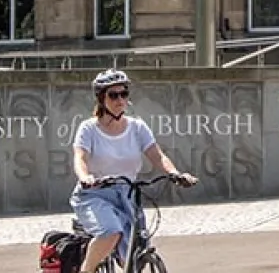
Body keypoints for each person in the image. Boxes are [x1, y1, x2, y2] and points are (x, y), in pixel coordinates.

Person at [71, 70, 198, 273]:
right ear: (101, 98)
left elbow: (157, 156)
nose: (120, 99)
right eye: (113, 95)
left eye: (124, 94)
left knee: (135, 254)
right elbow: (80, 158)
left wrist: (175, 174)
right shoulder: (88, 129)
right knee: (111, 232)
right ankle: (86, 270)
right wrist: (86, 178)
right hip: (95, 195)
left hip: (127, 195)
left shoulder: (137, 127)